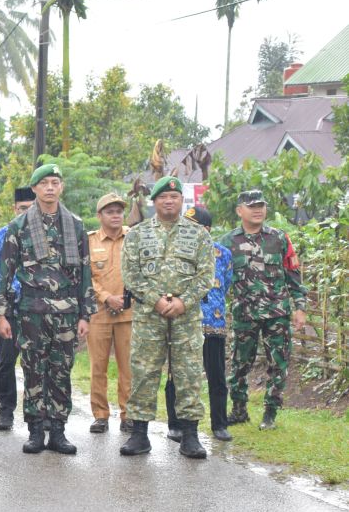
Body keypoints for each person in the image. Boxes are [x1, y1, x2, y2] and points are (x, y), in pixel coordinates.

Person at [0, 164, 95, 455]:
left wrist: (85, 315)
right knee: (33, 371)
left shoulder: (75, 224)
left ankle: (58, 431)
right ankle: (36, 431)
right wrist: (2, 314)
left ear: (61, 187)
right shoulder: (19, 226)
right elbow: (6, 273)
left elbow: (85, 272)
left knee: (61, 371)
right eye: (44, 183)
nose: (50, 187)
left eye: (55, 182)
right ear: (35, 188)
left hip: (67, 311)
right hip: (31, 311)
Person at [119, 176, 213, 459]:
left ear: (181, 200)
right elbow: (130, 274)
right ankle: (139, 434)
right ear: (154, 201)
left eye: (174, 197)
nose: (169, 201)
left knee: (189, 374)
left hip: (186, 317)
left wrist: (184, 302)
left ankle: (190, 435)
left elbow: (206, 275)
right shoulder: (137, 235)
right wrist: (155, 300)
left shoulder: (199, 235)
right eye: (163, 197)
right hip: (149, 316)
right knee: (144, 372)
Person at [219, 190, 307, 430]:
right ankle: (239, 410)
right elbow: (217, 279)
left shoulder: (279, 238)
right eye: (251, 206)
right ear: (240, 211)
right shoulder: (227, 242)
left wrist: (300, 307)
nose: (257, 210)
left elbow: (293, 274)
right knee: (240, 364)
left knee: (278, 364)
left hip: (276, 314)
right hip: (244, 314)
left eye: (261, 205)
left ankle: (270, 414)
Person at [166, 206, 233, 442]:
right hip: (183, 322)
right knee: (177, 375)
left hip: (213, 322)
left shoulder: (223, 253)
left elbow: (226, 284)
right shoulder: (173, 251)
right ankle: (175, 425)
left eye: (194, 227)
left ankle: (219, 424)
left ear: (207, 229)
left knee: (216, 376)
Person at [0, 187, 34, 430]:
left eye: (31, 208)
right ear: (15, 209)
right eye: (22, 208)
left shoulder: (45, 236)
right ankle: (5, 411)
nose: (26, 213)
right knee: (6, 362)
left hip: (37, 308)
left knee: (36, 362)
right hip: (10, 306)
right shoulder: (1, 236)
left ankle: (36, 413)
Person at [86, 193, 133, 434]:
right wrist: (106, 297)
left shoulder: (133, 238)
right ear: (100, 216)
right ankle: (100, 415)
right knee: (98, 366)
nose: (115, 215)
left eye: (119, 211)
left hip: (128, 313)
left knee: (128, 367)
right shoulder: (89, 241)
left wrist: (124, 298)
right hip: (99, 314)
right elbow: (86, 276)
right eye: (110, 212)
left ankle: (128, 415)